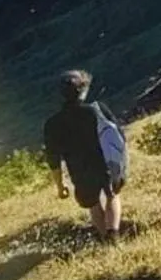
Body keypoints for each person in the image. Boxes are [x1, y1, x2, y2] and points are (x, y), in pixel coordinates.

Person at [43, 69, 126, 239]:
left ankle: (105, 239)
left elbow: (53, 159)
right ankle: (113, 233)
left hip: (79, 171)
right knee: (112, 195)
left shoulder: (52, 124)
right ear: (84, 89)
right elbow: (119, 135)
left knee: (93, 204)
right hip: (105, 163)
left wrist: (60, 186)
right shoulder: (97, 110)